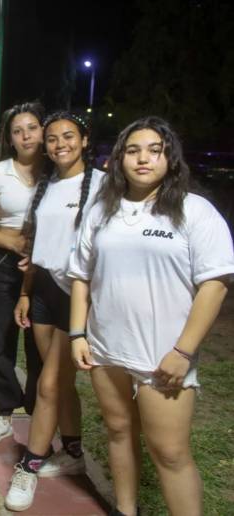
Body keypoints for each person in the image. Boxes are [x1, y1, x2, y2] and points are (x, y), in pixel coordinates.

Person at [69, 117, 234, 516]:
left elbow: (215, 285)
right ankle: (126, 510)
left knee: (171, 453)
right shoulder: (102, 211)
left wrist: (183, 351)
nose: (143, 158)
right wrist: (78, 333)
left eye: (154, 150)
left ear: (170, 158)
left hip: (164, 357)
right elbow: (81, 276)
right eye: (133, 150)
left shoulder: (194, 211)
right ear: (120, 158)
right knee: (119, 432)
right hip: (106, 351)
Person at [5, 111, 105, 511]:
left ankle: (29, 465)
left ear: (84, 140)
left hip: (79, 295)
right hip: (44, 289)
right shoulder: (47, 185)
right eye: (52, 138)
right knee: (59, 382)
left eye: (68, 136)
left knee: (47, 385)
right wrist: (26, 293)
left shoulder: (102, 184)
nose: (59, 144)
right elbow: (37, 246)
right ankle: (74, 452)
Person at [0, 102, 45, 445]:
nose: (25, 135)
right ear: (9, 138)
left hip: (46, 267)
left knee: (40, 347)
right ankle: (3, 414)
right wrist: (13, 243)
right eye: (18, 130)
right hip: (2, 264)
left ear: (43, 131)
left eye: (31, 127)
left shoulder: (58, 171)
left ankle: (40, 419)